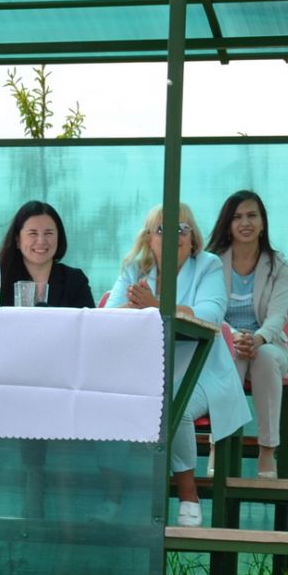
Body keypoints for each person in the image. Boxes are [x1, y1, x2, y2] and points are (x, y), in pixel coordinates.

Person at [105, 203, 251, 525]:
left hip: (203, 372)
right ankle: (117, 494)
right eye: (162, 230)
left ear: (193, 237)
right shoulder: (135, 268)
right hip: (144, 372)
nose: (173, 237)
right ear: (149, 238)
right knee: (114, 399)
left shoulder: (208, 265)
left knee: (173, 400)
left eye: (181, 229)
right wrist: (142, 309)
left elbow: (210, 317)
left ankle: (188, 493)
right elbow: (110, 316)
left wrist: (154, 306)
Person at [205, 190, 288, 479]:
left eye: (252, 215)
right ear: (228, 224)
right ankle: (219, 443)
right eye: (238, 217)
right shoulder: (213, 262)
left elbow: (279, 316)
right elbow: (211, 310)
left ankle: (267, 450)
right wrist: (235, 337)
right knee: (231, 354)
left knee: (265, 357)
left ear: (263, 222)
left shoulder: (278, 265)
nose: (246, 222)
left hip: (268, 343)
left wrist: (257, 339)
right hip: (226, 342)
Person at [0, 200, 96, 308]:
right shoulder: (0, 280)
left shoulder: (75, 280)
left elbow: (89, 323)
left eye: (48, 233)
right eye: (33, 233)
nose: (41, 241)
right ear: (17, 240)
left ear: (59, 237)